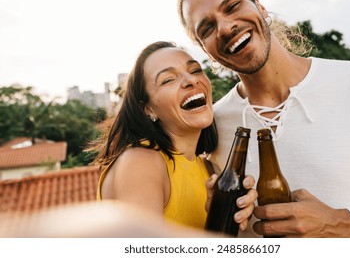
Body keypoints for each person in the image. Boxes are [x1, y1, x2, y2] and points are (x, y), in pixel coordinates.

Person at [178, 0, 350, 237]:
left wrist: (344, 224)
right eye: (207, 28)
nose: (226, 27)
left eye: (232, 6)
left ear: (259, 5)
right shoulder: (210, 126)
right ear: (204, 49)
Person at [90, 41, 256, 232]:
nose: (191, 80)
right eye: (168, 79)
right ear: (148, 108)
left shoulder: (209, 168)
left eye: (195, 71)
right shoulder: (142, 161)